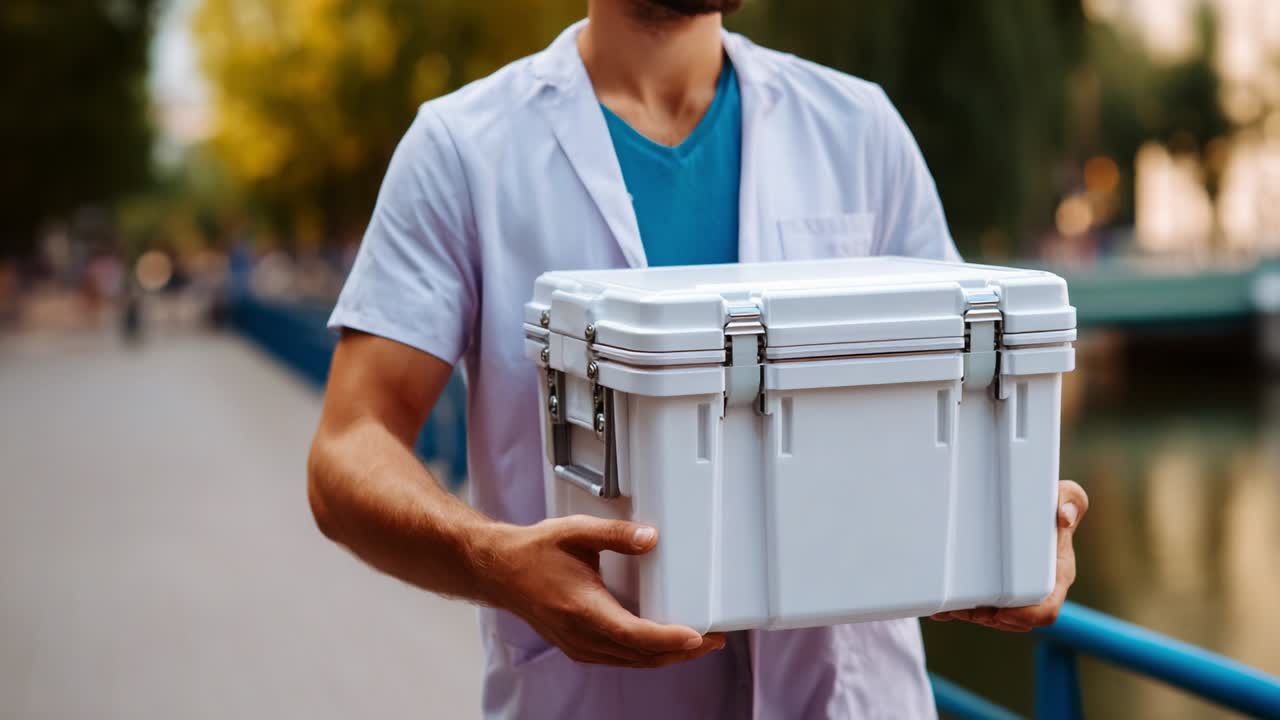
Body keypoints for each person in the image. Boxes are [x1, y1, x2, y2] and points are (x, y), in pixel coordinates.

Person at [307, 1, 1091, 717]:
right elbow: (349, 448)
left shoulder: (859, 129)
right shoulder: (460, 151)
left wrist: (1024, 522)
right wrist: (492, 561)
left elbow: (975, 388)